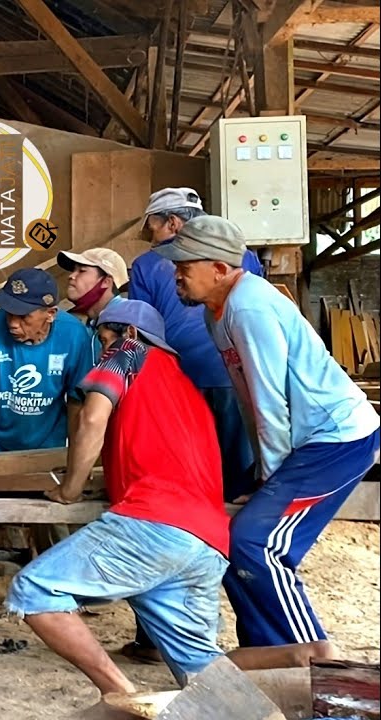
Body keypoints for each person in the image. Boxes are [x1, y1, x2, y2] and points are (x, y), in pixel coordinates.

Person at [156, 215, 380, 653]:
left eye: (185, 264)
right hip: (300, 442)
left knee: (258, 544)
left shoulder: (249, 307)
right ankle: (267, 653)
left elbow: (270, 402)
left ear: (220, 268)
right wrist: (261, 469)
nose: (176, 272)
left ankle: (314, 662)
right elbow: (246, 397)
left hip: (334, 439)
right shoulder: (215, 313)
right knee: (222, 534)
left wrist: (269, 479)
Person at [7, 300, 232, 693]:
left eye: (103, 336)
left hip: (156, 525)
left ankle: (120, 694)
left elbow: (93, 417)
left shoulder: (129, 352)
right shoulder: (183, 385)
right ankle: (272, 682)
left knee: (35, 590)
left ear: (127, 333)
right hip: (208, 541)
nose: (101, 346)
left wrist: (69, 490)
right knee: (202, 674)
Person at [121, 189, 263, 664]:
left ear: (173, 224)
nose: (153, 238)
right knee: (229, 504)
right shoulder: (239, 259)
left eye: (154, 226)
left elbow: (139, 333)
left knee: (175, 501)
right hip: (227, 384)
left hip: (182, 391)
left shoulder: (150, 265)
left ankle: (158, 636)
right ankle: (234, 633)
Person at [0, 267, 94, 623]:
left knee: (57, 520)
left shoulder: (76, 337)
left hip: (49, 445)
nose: (13, 323)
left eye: (23, 316)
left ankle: (65, 595)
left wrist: (72, 460)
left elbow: (78, 404)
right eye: (8, 313)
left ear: (49, 314)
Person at [58, 247, 129, 363]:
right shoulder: (92, 322)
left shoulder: (127, 321)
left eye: (82, 271)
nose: (71, 276)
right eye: (73, 270)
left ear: (106, 282)